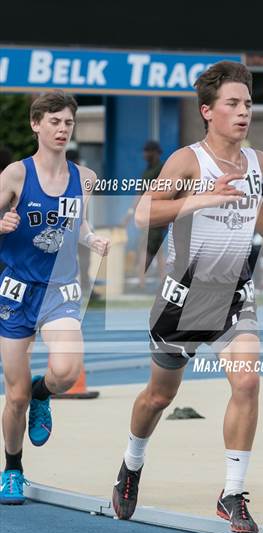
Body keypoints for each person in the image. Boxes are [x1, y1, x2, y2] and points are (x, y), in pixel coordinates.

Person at [112, 61, 263, 533]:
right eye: (232, 104)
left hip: (233, 296)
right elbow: (143, 213)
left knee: (248, 383)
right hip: (182, 300)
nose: (243, 112)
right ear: (208, 112)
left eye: (248, 104)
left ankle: (232, 494)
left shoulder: (259, 161)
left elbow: (255, 206)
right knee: (158, 396)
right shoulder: (187, 161)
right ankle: (131, 465)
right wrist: (201, 198)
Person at [0, 90, 110, 505]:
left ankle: (43, 392)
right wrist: (3, 222)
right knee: (14, 397)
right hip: (15, 291)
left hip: (60, 290)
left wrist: (92, 238)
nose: (62, 129)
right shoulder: (15, 175)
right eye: (54, 122)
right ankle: (12, 468)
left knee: (65, 372)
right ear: (36, 124)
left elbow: (77, 223)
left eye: (68, 123)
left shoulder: (86, 178)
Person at [124, 141, 166, 289]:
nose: (145, 154)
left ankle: (141, 281)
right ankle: (161, 280)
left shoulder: (161, 169)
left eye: (148, 151)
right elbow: (140, 194)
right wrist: (130, 214)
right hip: (148, 214)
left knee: (146, 248)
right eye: (144, 151)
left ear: (156, 153)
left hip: (155, 214)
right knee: (157, 249)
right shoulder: (147, 171)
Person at [66, 148, 101, 301]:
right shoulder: (70, 178)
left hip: (79, 225)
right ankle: (80, 287)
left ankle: (85, 286)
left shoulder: (82, 177)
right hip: (73, 226)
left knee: (82, 259)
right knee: (78, 260)